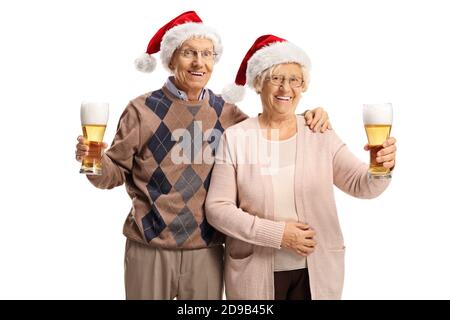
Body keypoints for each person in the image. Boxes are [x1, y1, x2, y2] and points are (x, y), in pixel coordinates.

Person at [75, 12, 331, 300]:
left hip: (207, 251)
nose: (199, 62)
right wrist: (94, 162)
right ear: (171, 59)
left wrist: (308, 116)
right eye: (189, 53)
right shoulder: (141, 110)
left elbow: (269, 129)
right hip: (149, 248)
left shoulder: (226, 112)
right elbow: (113, 174)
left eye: (207, 54)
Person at [205, 34, 397, 300]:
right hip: (255, 274)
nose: (286, 89)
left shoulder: (318, 131)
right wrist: (278, 234)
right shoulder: (236, 137)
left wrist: (381, 167)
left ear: (303, 85)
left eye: (294, 79)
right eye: (276, 78)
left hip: (317, 272)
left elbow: (361, 184)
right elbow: (218, 209)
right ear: (259, 83)